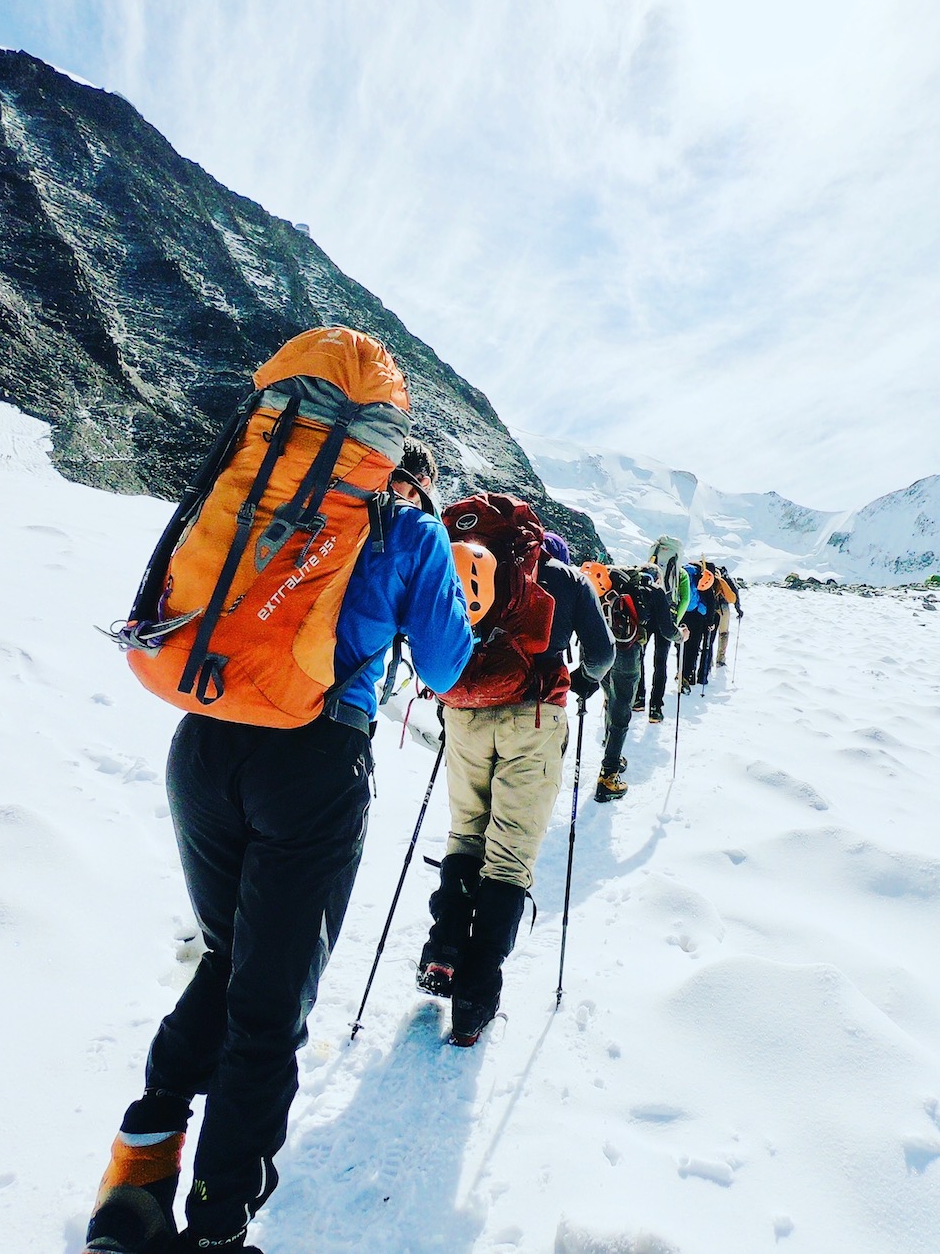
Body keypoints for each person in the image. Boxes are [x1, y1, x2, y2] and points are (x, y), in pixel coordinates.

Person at [85, 436, 474, 1254]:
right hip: (313, 760)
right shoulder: (411, 529)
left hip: (202, 742)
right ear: (417, 477)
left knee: (228, 956)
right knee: (268, 1007)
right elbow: (443, 669)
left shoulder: (273, 503)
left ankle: (136, 1182)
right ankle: (219, 1233)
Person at [418, 523, 614, 1045]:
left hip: (463, 711)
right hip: (533, 717)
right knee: (509, 854)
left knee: (466, 831)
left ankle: (443, 952)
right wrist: (584, 684)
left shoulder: (474, 563)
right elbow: (601, 655)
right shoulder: (568, 577)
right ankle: (474, 1002)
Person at [594, 566, 685, 802]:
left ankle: (610, 749)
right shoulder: (653, 592)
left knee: (610, 699)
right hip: (626, 652)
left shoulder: (610, 588)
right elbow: (667, 629)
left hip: (598, 650)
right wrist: (681, 636)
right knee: (622, 707)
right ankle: (608, 775)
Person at [633, 538, 691, 723]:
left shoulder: (646, 569)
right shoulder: (681, 573)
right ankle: (656, 708)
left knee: (639, 658)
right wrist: (674, 621)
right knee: (661, 663)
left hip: (646, 618)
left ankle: (638, 699)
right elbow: (685, 600)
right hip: (667, 618)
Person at [679, 562, 716, 690]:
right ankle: (688, 674)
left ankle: (681, 670)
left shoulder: (683, 575)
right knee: (693, 646)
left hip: (682, 613)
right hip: (697, 616)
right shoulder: (702, 576)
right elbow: (711, 601)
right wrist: (710, 622)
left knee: (681, 643)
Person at [712, 565, 742, 667]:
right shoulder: (727, 579)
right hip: (724, 607)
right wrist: (738, 609)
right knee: (723, 633)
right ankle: (720, 659)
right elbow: (735, 594)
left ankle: (708, 659)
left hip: (712, 607)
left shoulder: (711, 577)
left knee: (710, 633)